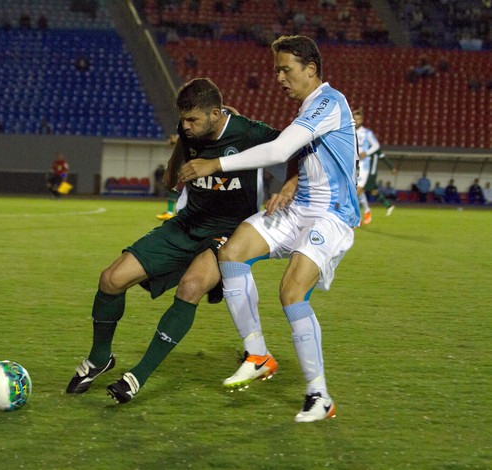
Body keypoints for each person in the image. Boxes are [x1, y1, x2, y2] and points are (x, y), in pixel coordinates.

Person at [65, 77, 287, 404]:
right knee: (111, 279)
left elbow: (297, 147)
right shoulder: (189, 130)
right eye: (183, 119)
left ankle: (137, 377)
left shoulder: (247, 131)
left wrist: (289, 186)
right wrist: (175, 167)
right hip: (187, 224)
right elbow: (177, 162)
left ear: (216, 113)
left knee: (191, 287)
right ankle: (100, 358)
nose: (185, 125)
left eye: (192, 119)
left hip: (228, 232)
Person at [179, 35, 360, 422]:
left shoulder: (330, 101)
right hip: (298, 208)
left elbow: (279, 151)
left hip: (331, 215)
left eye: (286, 69)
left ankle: (319, 396)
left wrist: (215, 165)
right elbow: (302, 155)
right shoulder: (309, 108)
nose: (278, 77)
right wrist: (292, 184)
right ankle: (257, 353)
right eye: (276, 69)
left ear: (310, 70)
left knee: (292, 292)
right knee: (231, 252)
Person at [352, 108, 395, 224]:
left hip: (364, 166)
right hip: (351, 165)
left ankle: (355, 217)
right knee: (355, 191)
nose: (356, 120)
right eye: (354, 118)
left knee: (356, 192)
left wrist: (366, 153)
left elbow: (376, 146)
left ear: (362, 120)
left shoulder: (367, 133)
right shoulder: (349, 132)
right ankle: (366, 211)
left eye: (358, 118)